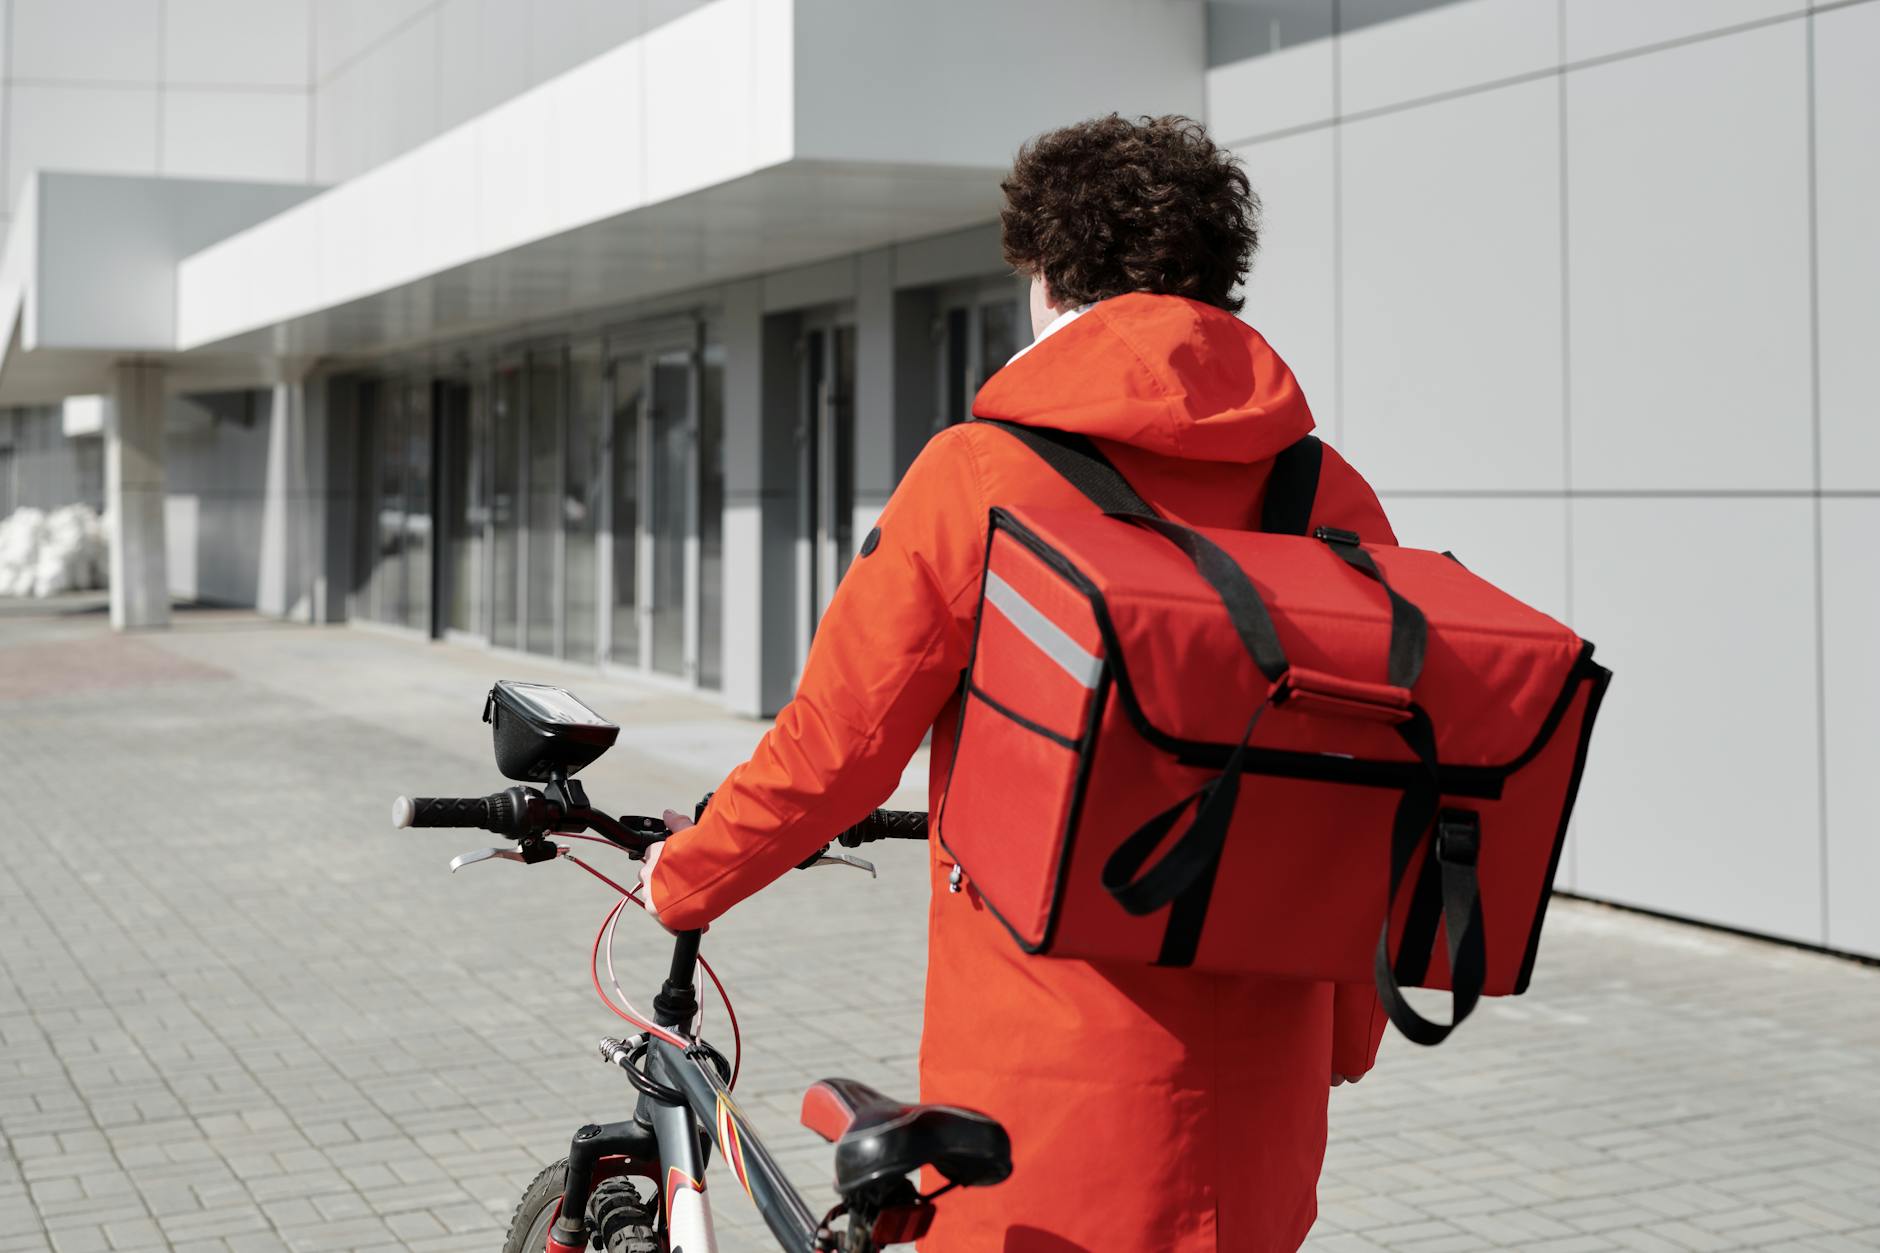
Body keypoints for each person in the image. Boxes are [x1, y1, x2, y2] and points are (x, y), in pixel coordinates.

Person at [643, 114, 1397, 1252]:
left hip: (1035, 1118)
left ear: (1049, 278)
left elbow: (835, 749)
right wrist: (1336, 1039)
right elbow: (1358, 786)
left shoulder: (980, 476)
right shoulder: (1326, 491)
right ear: (1214, 278)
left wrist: (685, 877)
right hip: (1261, 1111)